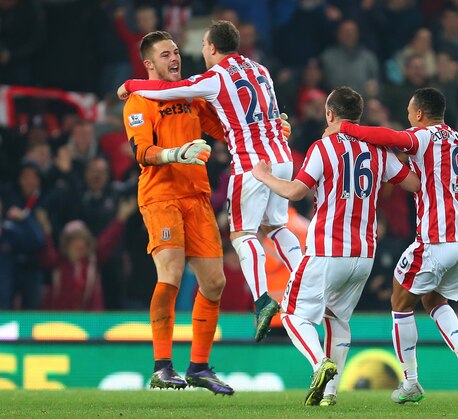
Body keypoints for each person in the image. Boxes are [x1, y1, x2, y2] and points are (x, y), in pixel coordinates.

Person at [118, 20, 301, 342]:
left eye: (197, 46)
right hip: (281, 159)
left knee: (244, 234)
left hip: (250, 166)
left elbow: (172, 90)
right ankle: (308, 283)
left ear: (213, 48)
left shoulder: (212, 79)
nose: (184, 55)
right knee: (277, 227)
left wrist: (130, 84)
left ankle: (262, 301)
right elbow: (245, 118)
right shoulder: (260, 69)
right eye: (168, 53)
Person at [252, 86, 420, 406]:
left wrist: (263, 175)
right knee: (337, 320)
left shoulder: (322, 147)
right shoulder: (378, 152)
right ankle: (330, 394)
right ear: (357, 116)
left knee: (291, 315)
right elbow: (413, 184)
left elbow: (295, 192)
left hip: (327, 250)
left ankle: (319, 364)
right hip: (363, 255)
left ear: (330, 114)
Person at [335, 87, 458, 406]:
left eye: (409, 113)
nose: (407, 119)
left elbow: (390, 138)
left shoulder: (424, 136)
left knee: (400, 302)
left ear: (419, 114)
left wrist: (345, 127)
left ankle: (411, 382)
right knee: (433, 300)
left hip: (436, 239)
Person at [121, 30, 233, 395]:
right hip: (161, 196)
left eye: (176, 52)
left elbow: (222, 129)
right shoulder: (139, 101)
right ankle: (162, 366)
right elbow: (142, 151)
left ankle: (199, 367)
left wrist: (264, 133)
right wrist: (174, 153)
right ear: (149, 65)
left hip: (197, 196)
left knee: (214, 282)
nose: (175, 58)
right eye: (166, 54)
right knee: (170, 272)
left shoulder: (187, 95)